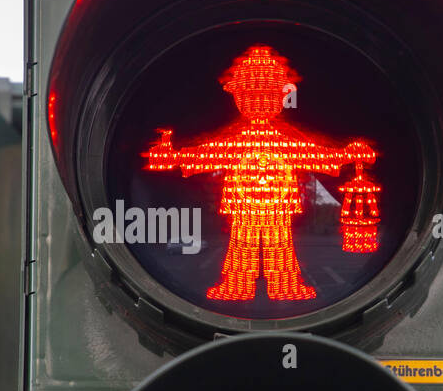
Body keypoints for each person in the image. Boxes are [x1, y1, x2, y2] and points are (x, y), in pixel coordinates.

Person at [143, 44, 374, 301]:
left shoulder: (284, 140)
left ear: (280, 97)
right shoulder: (237, 141)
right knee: (243, 247)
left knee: (279, 247)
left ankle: (282, 286)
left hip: (275, 202)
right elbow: (206, 153)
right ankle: (239, 287)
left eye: (267, 95)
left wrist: (346, 155)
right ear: (238, 98)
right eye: (251, 95)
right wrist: (173, 156)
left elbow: (313, 153)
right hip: (245, 203)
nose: (259, 102)